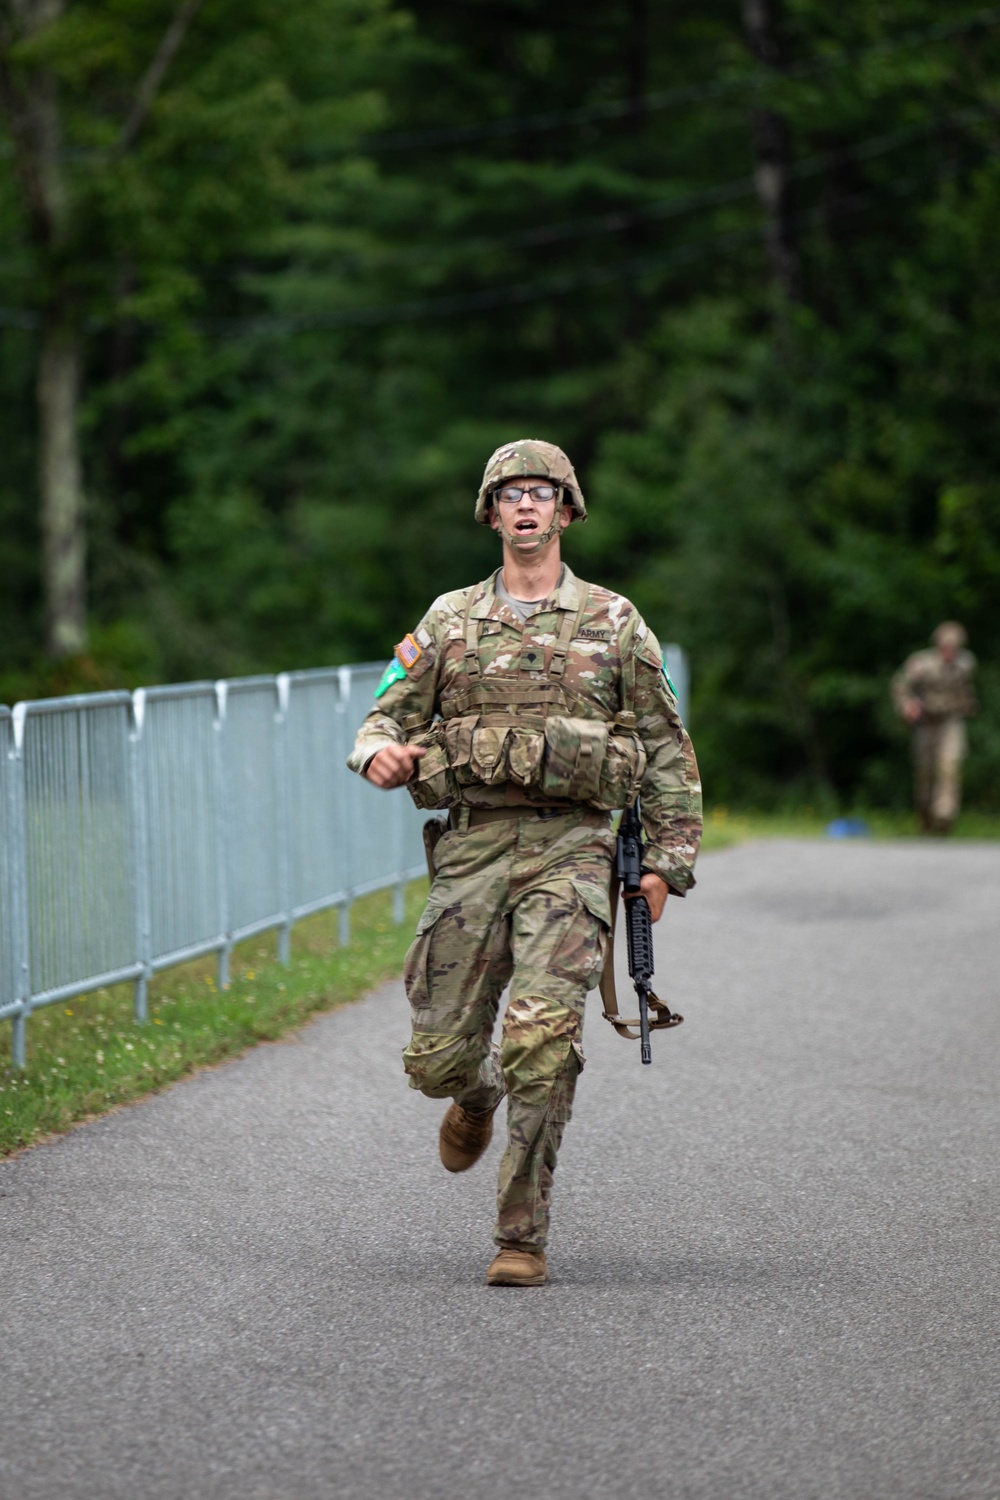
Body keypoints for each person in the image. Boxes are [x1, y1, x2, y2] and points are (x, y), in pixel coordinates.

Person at [347, 439, 702, 1287]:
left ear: (567, 510)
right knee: (436, 1059)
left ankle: (521, 1235)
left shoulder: (615, 622)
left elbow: (664, 748)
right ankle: (475, 1096)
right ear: (492, 514)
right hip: (470, 853)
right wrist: (377, 756)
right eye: (511, 494)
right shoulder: (449, 620)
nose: (527, 506)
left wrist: (666, 862)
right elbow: (382, 718)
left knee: (542, 1042)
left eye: (542, 493)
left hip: (572, 851)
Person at [891, 622, 977, 834]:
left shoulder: (966, 663)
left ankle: (945, 815)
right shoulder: (921, 663)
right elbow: (900, 684)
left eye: (954, 647)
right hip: (927, 723)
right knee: (925, 773)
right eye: (945, 646)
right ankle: (926, 817)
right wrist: (907, 705)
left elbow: (966, 689)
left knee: (950, 767)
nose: (950, 651)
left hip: (951, 721)